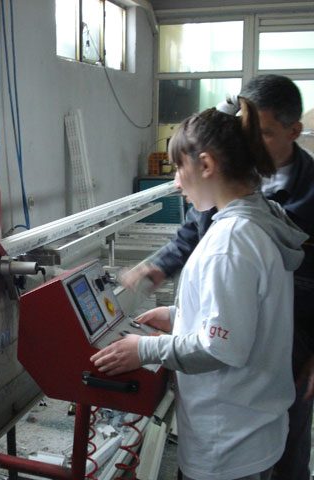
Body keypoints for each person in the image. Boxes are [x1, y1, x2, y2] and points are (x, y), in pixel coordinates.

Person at [91, 97, 308, 480]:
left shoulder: (231, 242)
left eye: (179, 167)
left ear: (206, 165)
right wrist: (178, 316)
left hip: (228, 444)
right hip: (253, 427)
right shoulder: (257, 222)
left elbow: (220, 347)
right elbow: (246, 315)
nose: (176, 182)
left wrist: (144, 349)